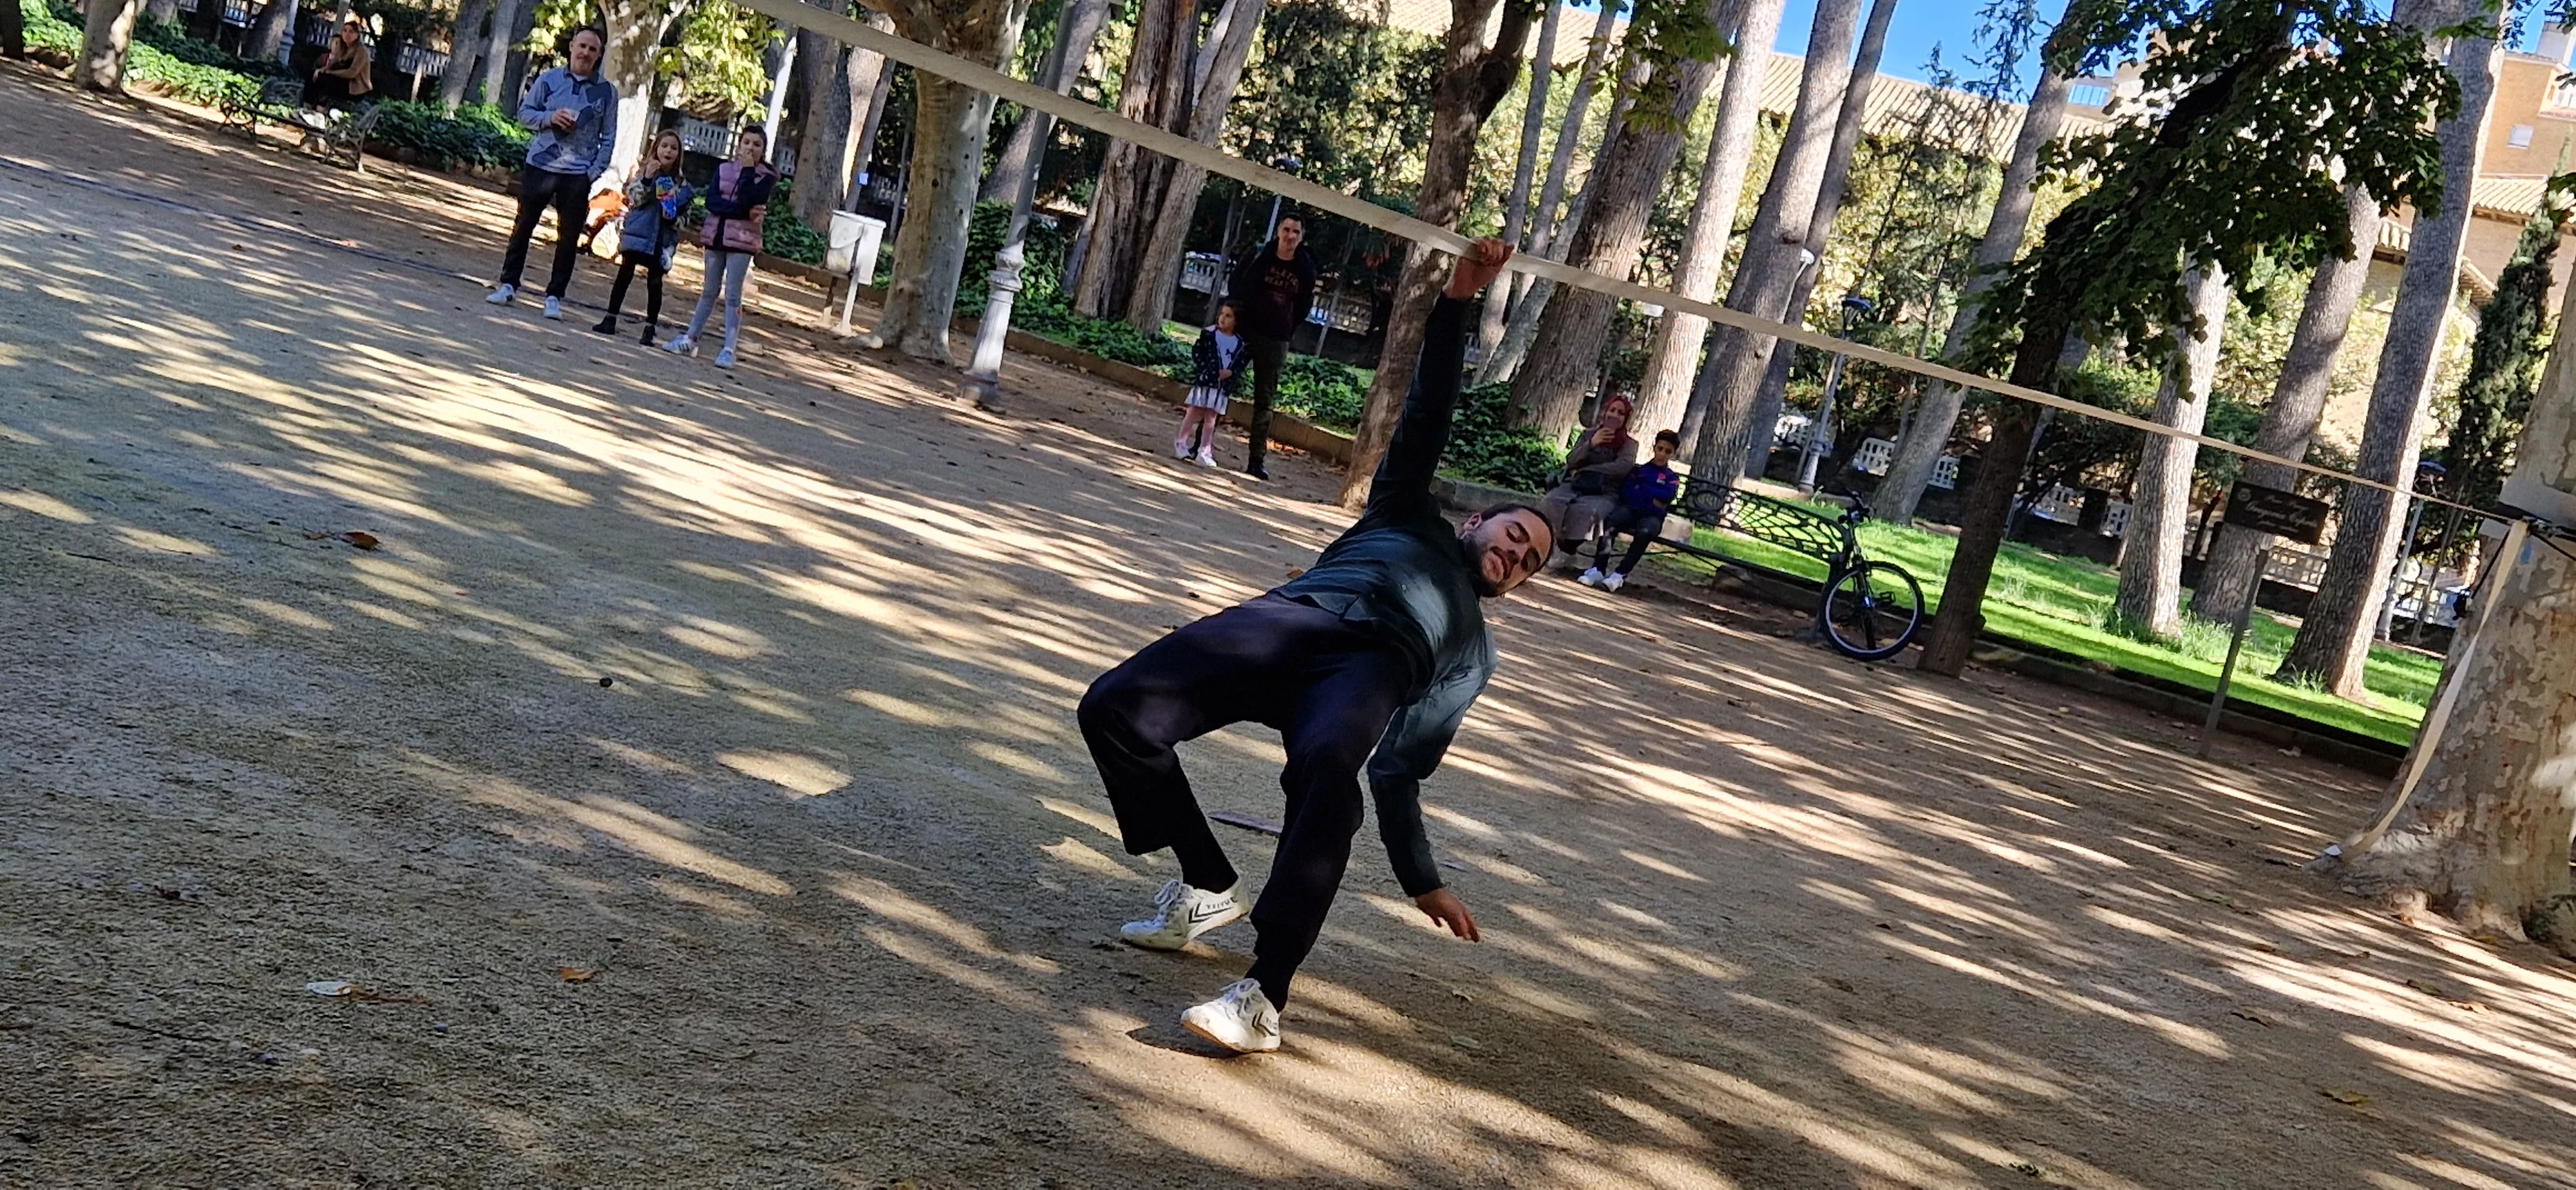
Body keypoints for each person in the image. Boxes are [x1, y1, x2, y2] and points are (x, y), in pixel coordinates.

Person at [1077, 239, 1550, 1055]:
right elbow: (1428, 411)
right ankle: (1205, 881)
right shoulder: (1407, 512)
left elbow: (1399, 769)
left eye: (1529, 561)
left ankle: (1263, 995)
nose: (1515, 556)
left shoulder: (1474, 651)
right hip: (1290, 618)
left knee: (1331, 777)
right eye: (1513, 535)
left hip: (1372, 667)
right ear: (1477, 522)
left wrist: (1422, 877)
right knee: (1114, 707)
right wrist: (1457, 303)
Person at [488, 27, 618, 321]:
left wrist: (592, 173)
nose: (585, 53)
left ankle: (554, 297)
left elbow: (609, 136)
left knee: (569, 238)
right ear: (571, 47)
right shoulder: (549, 80)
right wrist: (550, 118)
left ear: (600, 54)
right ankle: (508, 285)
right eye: (582, 46)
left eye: (593, 49)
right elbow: (525, 113)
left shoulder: (608, 92)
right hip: (541, 165)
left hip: (578, 174)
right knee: (524, 226)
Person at [665, 127, 779, 370]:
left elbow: (751, 199)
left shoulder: (767, 177)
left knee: (733, 295)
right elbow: (712, 202)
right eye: (746, 142)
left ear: (763, 150)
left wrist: (748, 171)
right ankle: (691, 338)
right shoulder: (723, 169)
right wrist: (741, 212)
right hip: (715, 236)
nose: (750, 148)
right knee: (709, 290)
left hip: (742, 242)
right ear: (739, 145)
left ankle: (729, 349)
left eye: (756, 144)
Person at [1221, 214, 1318, 480]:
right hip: (1244, 333)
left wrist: (1287, 327)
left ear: (1302, 237)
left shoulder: (1305, 268)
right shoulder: (1259, 256)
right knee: (1221, 388)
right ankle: (1201, 443)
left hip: (1276, 340)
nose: (1290, 236)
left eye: (1296, 232)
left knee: (1265, 402)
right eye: (1286, 230)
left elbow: (1304, 304)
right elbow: (1237, 285)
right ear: (1278, 231)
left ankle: (1256, 460)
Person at [593, 130, 694, 347]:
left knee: (655, 282)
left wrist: (673, 218)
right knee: (624, 274)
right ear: (656, 149)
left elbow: (686, 217)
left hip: (662, 239)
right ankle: (610, 317)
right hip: (638, 233)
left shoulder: (683, 186)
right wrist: (648, 178)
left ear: (679, 155)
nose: (668, 151)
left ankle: (650, 328)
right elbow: (635, 199)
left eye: (674, 148)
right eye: (664, 146)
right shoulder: (643, 173)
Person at [1538, 393, 1638, 567]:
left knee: (1590, 512)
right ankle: (1555, 548)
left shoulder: (1629, 444)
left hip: (1604, 492)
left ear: (1626, 418)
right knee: (1552, 501)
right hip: (1575, 485)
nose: (1615, 415)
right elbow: (1572, 460)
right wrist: (1591, 444)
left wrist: (1588, 470)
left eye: (1621, 413)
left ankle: (1568, 549)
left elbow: (1623, 467)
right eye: (1612, 410)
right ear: (1605, 412)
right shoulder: (1589, 435)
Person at [1580, 429, 1682, 592]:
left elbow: (1668, 495)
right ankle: (1598, 568)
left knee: (1645, 533)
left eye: (1668, 451)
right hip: (1631, 509)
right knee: (1611, 522)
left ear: (1673, 454)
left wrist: (1642, 489)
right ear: (1654, 448)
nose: (1662, 454)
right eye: (1660, 449)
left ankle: (1620, 575)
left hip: (1653, 517)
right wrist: (1653, 497)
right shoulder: (1638, 470)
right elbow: (1627, 492)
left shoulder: (1672, 477)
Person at [1173, 301, 1247, 468]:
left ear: (1236, 321)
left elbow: (1239, 364)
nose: (1223, 319)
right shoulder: (1209, 334)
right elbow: (1198, 353)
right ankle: (1181, 442)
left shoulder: (1239, 343)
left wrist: (1231, 373)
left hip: (1221, 387)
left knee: (1211, 417)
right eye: (1222, 314)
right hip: (1206, 382)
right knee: (1194, 411)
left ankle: (1204, 450)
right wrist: (1208, 369)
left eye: (1228, 316)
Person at [303, 17, 372, 109]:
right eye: (345, 31)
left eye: (351, 32)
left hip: (354, 88)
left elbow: (352, 73)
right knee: (312, 76)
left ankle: (320, 109)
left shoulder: (361, 51)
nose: (347, 34)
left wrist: (330, 73)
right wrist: (321, 70)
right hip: (341, 81)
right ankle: (307, 106)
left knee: (326, 82)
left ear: (357, 35)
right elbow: (332, 64)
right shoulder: (343, 48)